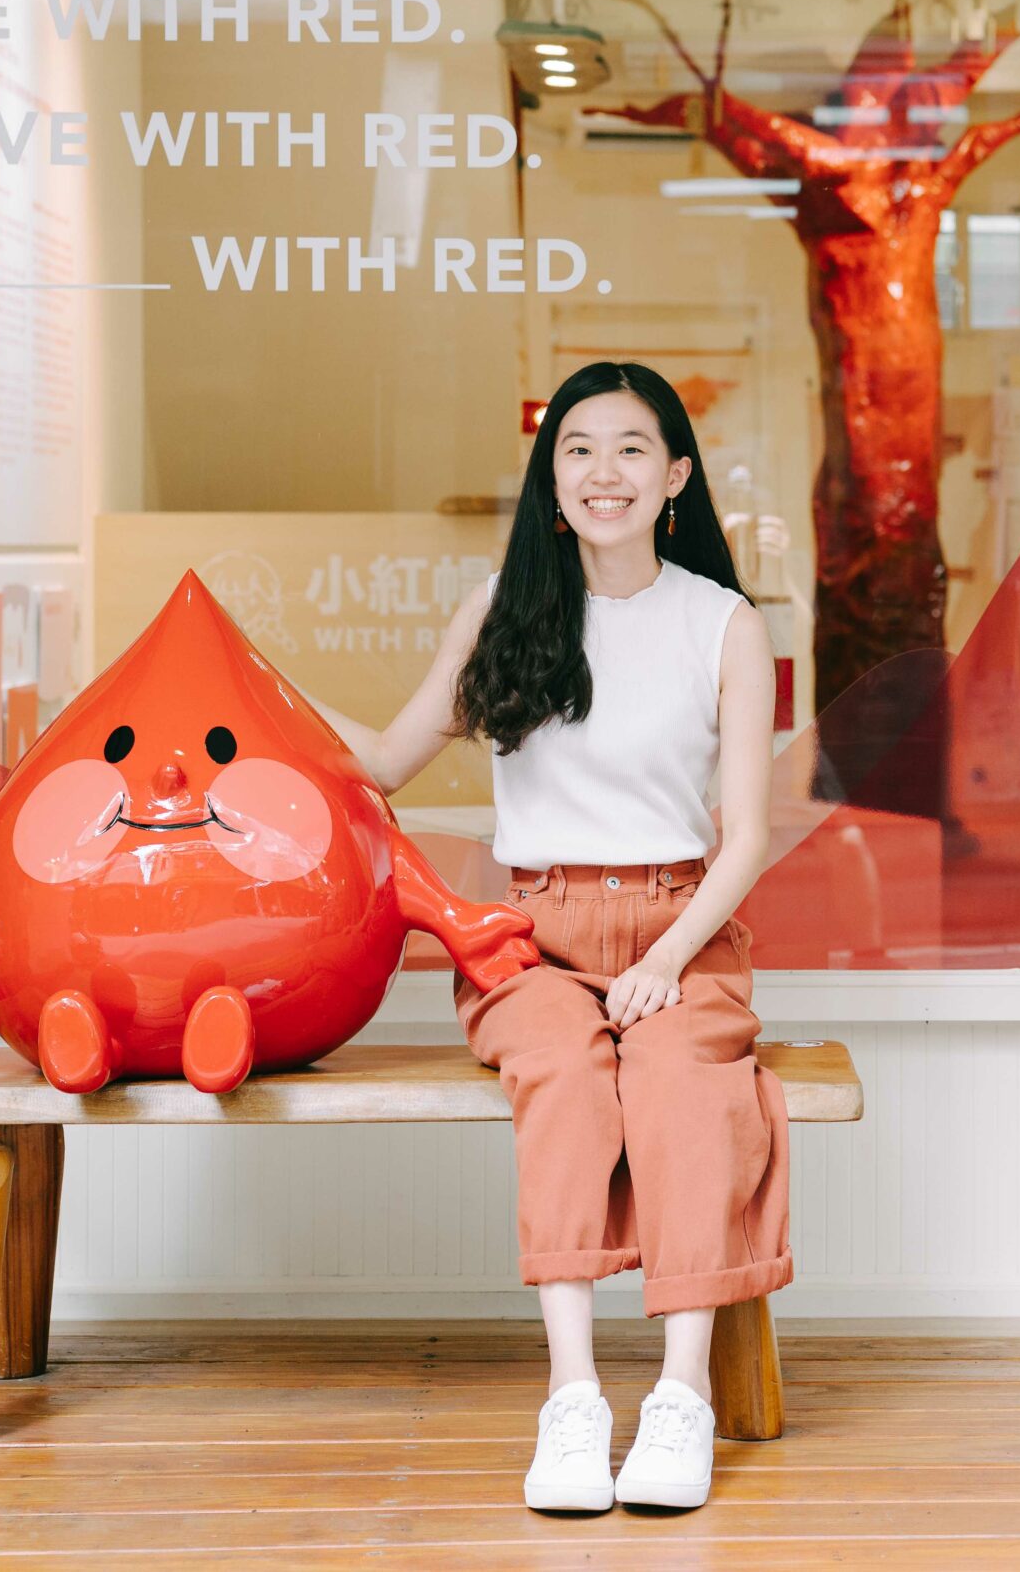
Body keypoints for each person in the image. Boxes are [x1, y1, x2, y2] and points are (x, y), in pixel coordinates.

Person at [318, 360, 788, 1514]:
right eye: (576, 449)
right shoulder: (501, 611)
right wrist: (239, 678)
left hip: (683, 923)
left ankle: (680, 1396)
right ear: (550, 475)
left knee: (680, 1082)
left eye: (630, 448)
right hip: (532, 934)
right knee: (565, 1079)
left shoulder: (724, 623)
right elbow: (381, 765)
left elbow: (746, 837)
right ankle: (573, 1398)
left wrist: (667, 960)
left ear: (676, 473)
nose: (601, 473)